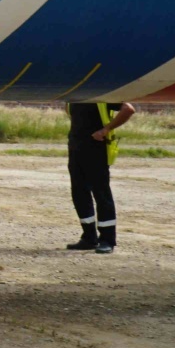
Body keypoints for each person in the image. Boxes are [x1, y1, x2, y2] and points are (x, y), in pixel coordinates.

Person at [66, 100, 135, 253]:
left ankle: (107, 240)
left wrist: (106, 129)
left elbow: (128, 109)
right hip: (76, 148)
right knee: (79, 192)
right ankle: (89, 237)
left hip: (97, 150)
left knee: (101, 193)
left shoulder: (101, 94)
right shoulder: (74, 96)